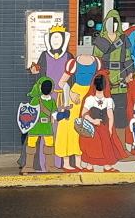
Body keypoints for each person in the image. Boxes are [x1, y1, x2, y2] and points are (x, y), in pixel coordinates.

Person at [30, 25, 73, 168]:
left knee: (60, 131)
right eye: (53, 38)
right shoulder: (44, 56)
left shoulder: (68, 56)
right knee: (46, 130)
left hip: (62, 98)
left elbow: (72, 79)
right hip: (47, 97)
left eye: (58, 38)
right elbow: (40, 76)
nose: (56, 41)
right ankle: (44, 164)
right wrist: (35, 72)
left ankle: (59, 162)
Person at [54, 50, 101, 173]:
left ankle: (79, 163)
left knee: (87, 127)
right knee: (70, 127)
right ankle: (66, 163)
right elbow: (61, 82)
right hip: (76, 96)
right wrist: (71, 93)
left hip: (90, 94)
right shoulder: (73, 63)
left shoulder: (97, 62)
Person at [91, 10, 130, 145]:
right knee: (101, 112)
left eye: (115, 22)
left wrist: (129, 73)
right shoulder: (100, 41)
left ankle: (121, 145)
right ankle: (103, 144)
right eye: (109, 22)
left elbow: (128, 57)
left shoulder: (123, 39)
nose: (112, 25)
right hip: (105, 79)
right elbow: (96, 60)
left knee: (120, 113)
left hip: (121, 79)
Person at [79, 72, 128, 172]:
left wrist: (110, 128)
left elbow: (110, 115)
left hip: (104, 127)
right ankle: (90, 165)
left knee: (106, 146)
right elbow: (83, 114)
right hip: (92, 128)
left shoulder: (108, 100)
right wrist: (93, 121)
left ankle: (106, 166)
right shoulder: (90, 99)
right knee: (93, 147)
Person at [18, 76, 58, 175]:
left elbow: (54, 114)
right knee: (33, 146)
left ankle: (50, 166)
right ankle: (29, 166)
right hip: (37, 126)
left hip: (44, 127)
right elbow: (29, 114)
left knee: (48, 145)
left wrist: (60, 115)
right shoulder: (37, 100)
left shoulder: (50, 101)